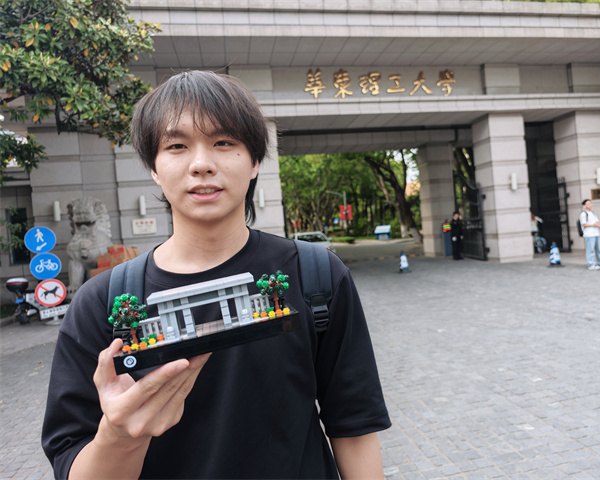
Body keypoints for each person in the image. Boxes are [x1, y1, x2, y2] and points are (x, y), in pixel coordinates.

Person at [41, 71, 391, 479]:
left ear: (255, 160)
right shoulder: (102, 303)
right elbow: (74, 463)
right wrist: (120, 436)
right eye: (176, 146)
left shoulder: (317, 275)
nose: (201, 164)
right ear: (154, 168)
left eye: (224, 142)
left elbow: (353, 426)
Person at [579, 199, 600, 271]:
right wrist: (593, 225)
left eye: (591, 203)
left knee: (599, 249)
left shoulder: (593, 213)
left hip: (596, 233)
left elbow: (597, 221)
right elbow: (584, 224)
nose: (590, 205)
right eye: (588, 204)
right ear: (584, 205)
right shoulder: (583, 214)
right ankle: (591, 264)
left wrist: (598, 225)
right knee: (590, 250)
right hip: (589, 234)